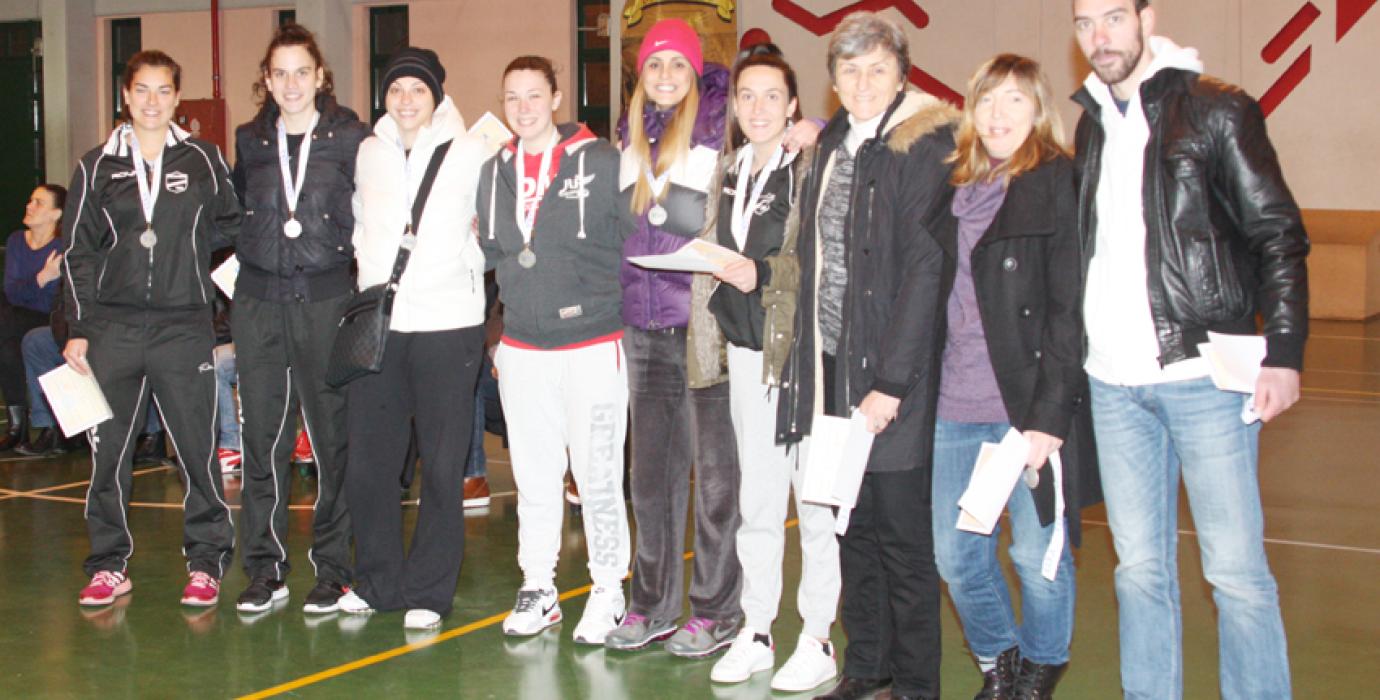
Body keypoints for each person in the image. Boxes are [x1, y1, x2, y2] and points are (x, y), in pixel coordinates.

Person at [1069, 2, 1308, 698]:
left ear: (1148, 18)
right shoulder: (1092, 123)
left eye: (1114, 17)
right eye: (1085, 23)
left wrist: (1284, 351)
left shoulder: (1217, 110)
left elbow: (1277, 234)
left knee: (1235, 573)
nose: (1099, 36)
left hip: (1205, 377)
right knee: (1138, 571)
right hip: (1113, 385)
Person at [774, 12, 958, 700]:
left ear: (903, 74)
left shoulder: (926, 143)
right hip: (833, 367)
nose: (863, 83)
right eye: (849, 70)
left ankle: (914, 682)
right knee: (852, 527)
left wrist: (892, 382)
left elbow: (927, 269)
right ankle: (868, 663)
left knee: (903, 537)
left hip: (892, 378)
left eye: (878, 69)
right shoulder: (834, 143)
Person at [930, 54, 1100, 699]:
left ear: (1038, 111)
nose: (998, 114)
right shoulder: (952, 185)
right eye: (987, 99)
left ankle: (1039, 669)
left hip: (1025, 407)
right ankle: (999, 661)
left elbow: (1068, 309)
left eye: (1015, 100)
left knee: (1036, 555)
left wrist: (1049, 418)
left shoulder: (1056, 180)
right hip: (954, 403)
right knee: (956, 555)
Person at [684, 44, 840, 691]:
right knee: (758, 502)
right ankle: (756, 629)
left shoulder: (812, 168)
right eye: (746, 96)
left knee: (816, 505)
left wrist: (765, 272)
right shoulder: (727, 170)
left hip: (803, 361)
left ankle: (818, 637)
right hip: (748, 359)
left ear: (794, 105)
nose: (758, 108)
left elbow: (823, 256)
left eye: (772, 96)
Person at [63, 50, 241, 607]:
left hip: (184, 327)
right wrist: (79, 326)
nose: (152, 101)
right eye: (142, 89)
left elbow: (234, 227)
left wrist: (207, 282)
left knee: (196, 450)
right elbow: (77, 252)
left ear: (176, 97)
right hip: (112, 328)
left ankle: (206, 562)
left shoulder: (203, 159)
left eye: (164, 90)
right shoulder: (96, 166)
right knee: (108, 453)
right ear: (125, 95)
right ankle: (108, 565)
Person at [477, 55, 633, 645]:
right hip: (523, 347)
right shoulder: (494, 171)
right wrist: (498, 340)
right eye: (512, 97)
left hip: (592, 342)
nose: (523, 108)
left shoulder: (602, 161)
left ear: (557, 98)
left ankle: (608, 589)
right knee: (535, 477)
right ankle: (538, 587)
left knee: (597, 476)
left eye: (534, 95)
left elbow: (632, 241)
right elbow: (494, 255)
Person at [338, 47, 489, 631]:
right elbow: (359, 221)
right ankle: (376, 582)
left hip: (449, 324)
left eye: (417, 89)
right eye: (396, 88)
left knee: (443, 464)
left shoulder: (471, 151)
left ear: (436, 96)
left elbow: (492, 222)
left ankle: (428, 588)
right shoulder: (368, 152)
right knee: (370, 462)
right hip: (381, 326)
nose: (405, 99)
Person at [229, 22, 367, 615]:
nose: (291, 84)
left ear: (320, 77)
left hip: (327, 299)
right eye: (280, 73)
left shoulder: (351, 137)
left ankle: (333, 570)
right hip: (258, 302)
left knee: (333, 439)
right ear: (266, 79)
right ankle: (265, 569)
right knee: (263, 439)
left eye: (301, 73)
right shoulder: (249, 141)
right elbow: (234, 213)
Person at [0, 185, 67, 450]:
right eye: (30, 200)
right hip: (16, 320)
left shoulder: (63, 246)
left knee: (6, 322)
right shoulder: (17, 241)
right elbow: (12, 293)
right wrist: (43, 278)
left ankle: (20, 428)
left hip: (50, 319)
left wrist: (33, 285)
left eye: (39, 202)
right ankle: (18, 428)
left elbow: (50, 303)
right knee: (8, 348)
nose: (29, 206)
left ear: (56, 213)